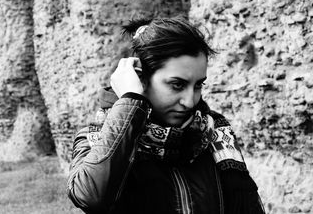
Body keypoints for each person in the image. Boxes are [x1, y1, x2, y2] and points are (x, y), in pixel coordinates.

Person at [67, 16, 265, 214]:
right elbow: (91, 197)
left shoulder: (216, 131)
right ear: (140, 78)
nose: (189, 101)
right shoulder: (96, 138)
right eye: (177, 84)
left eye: (198, 85)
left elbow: (247, 204)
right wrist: (131, 101)